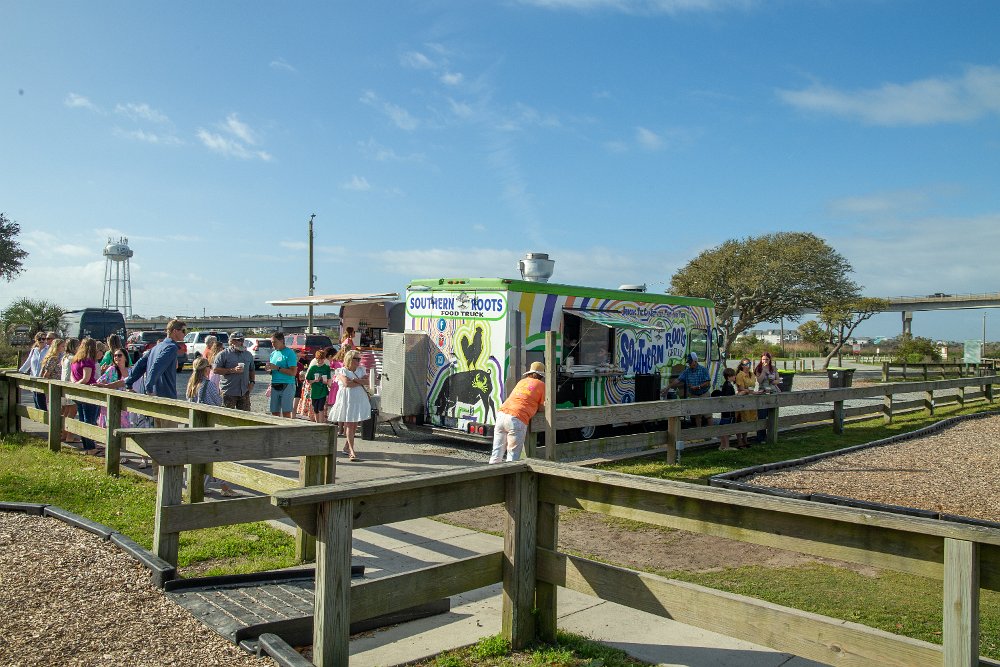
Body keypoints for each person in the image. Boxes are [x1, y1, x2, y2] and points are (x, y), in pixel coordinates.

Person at [489, 361, 546, 464]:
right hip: (517, 417)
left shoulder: (521, 382)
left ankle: (491, 472)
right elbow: (542, 407)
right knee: (512, 455)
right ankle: (511, 474)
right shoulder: (541, 385)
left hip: (502, 414)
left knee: (496, 453)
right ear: (541, 375)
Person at [328, 349, 372, 460]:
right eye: (356, 359)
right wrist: (358, 381)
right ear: (350, 359)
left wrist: (354, 380)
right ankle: (352, 451)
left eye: (359, 359)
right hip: (347, 400)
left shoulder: (361, 370)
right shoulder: (342, 370)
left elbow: (368, 382)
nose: (359, 361)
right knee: (349, 424)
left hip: (358, 399)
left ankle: (346, 447)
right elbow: (347, 384)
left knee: (354, 424)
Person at [70, 337, 101, 455]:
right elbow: (86, 378)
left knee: (82, 419)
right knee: (90, 420)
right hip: (89, 393)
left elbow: (72, 377)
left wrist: (74, 385)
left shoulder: (75, 360)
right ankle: (91, 448)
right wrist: (77, 385)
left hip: (78, 394)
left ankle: (87, 447)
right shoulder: (87, 361)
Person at [212, 332, 255, 410]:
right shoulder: (223, 354)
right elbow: (215, 370)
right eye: (237, 340)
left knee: (244, 416)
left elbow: (252, 369)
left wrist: (252, 382)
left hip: (244, 391)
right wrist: (233, 370)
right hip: (228, 391)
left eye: (242, 340)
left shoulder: (248, 354)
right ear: (231, 341)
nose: (240, 342)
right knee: (227, 415)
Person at [144, 319, 186, 399]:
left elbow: (140, 364)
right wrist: (149, 388)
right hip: (166, 396)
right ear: (175, 331)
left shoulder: (156, 347)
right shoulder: (171, 347)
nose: (185, 334)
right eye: (183, 331)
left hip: (156, 395)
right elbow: (157, 366)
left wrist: (129, 383)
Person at [669, 352, 711, 427]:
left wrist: (698, 387)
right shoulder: (687, 371)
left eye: (690, 362)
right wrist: (668, 387)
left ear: (695, 361)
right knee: (697, 416)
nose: (689, 364)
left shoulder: (703, 370)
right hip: (694, 395)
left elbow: (707, 382)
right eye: (688, 362)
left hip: (704, 394)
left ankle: (712, 431)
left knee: (708, 415)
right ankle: (699, 431)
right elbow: (678, 380)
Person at [19, 330, 54, 411]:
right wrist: (20, 371)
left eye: (44, 339)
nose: (42, 341)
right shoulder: (34, 350)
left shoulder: (49, 350)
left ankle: (45, 417)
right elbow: (28, 363)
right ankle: (40, 416)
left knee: (41, 401)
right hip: (34, 379)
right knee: (36, 401)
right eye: (39, 339)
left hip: (43, 379)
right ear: (36, 340)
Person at [96, 348, 131, 429]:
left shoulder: (130, 371)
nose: (116, 357)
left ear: (125, 358)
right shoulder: (112, 369)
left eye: (119, 355)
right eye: (115, 356)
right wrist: (105, 384)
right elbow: (100, 382)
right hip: (111, 403)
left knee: (124, 426)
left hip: (124, 404)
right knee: (109, 427)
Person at [265, 332, 298, 417]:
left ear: (282, 341)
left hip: (287, 384)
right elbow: (273, 370)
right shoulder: (273, 354)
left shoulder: (290, 353)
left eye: (274, 342)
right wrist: (269, 369)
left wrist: (277, 368)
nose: (273, 344)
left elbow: (293, 372)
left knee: (286, 412)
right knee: (274, 412)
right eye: (272, 342)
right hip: (274, 384)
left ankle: (287, 426)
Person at [59, 338, 81, 444]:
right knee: (72, 412)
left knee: (66, 412)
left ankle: (63, 434)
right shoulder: (73, 358)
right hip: (70, 387)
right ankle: (69, 436)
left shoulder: (65, 357)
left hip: (64, 387)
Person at [733, 358, 758, 449]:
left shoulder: (752, 374)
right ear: (742, 366)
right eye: (746, 364)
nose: (748, 366)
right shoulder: (740, 375)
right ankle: (739, 441)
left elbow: (754, 385)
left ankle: (745, 439)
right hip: (742, 399)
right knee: (740, 420)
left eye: (749, 364)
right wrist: (750, 391)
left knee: (748, 419)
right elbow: (741, 388)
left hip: (750, 399)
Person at [305, 349, 332, 423]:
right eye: (318, 359)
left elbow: (329, 378)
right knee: (315, 408)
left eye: (322, 359)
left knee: (321, 407)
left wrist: (327, 383)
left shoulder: (326, 367)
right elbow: (308, 380)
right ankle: (317, 423)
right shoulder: (313, 368)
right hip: (314, 391)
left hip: (323, 390)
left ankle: (321, 423)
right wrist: (314, 380)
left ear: (324, 359)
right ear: (316, 359)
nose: (320, 361)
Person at [717, 368, 738, 451]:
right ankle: (727, 446)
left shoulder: (726, 384)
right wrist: (737, 395)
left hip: (725, 410)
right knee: (726, 428)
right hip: (728, 411)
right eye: (733, 376)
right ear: (729, 377)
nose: (735, 377)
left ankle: (722, 445)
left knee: (723, 427)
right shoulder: (728, 386)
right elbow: (729, 398)